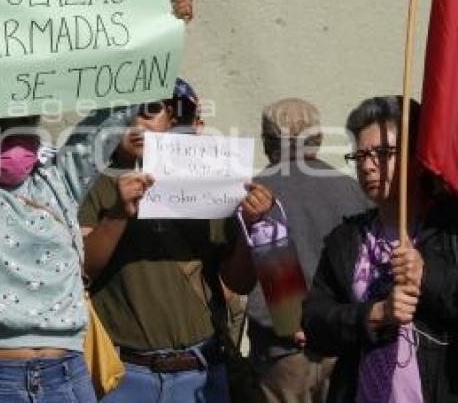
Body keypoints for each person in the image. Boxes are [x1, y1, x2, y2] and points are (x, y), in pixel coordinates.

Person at [0, 0, 194, 403]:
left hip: (67, 374)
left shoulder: (56, 183)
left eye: (24, 120)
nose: (15, 131)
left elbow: (114, 114)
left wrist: (164, 28)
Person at [79, 78, 274, 403]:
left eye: (151, 111)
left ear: (172, 122)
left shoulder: (208, 179)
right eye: (127, 110)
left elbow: (238, 282)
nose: (137, 121)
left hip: (201, 372)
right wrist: (117, 215)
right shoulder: (94, 180)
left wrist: (250, 229)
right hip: (124, 375)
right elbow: (84, 267)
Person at [302, 96, 457, 402]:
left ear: (417, 157)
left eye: (384, 154)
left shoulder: (448, 230)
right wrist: (373, 314)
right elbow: (315, 322)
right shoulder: (346, 239)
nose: (368, 166)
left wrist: (426, 276)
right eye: (360, 155)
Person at [247, 98, 370, 403]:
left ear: (267, 141)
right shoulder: (352, 189)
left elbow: (251, 278)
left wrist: (290, 327)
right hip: (342, 346)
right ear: (319, 138)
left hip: (281, 357)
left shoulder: (253, 195)